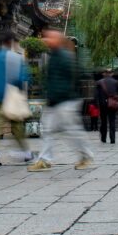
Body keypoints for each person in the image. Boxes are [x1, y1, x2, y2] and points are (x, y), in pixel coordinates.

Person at [29, 28, 93, 171]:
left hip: (66, 100)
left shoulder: (65, 57)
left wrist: (65, 94)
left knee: (72, 130)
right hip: (54, 101)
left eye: (49, 38)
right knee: (47, 129)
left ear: (57, 40)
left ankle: (86, 156)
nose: (46, 40)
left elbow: (76, 76)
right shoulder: (54, 56)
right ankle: (45, 160)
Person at [0, 33, 33, 167]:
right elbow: (24, 78)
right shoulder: (16, 59)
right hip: (11, 97)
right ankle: (27, 153)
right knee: (17, 126)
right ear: (11, 43)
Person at [95, 68, 118, 145]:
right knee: (112, 121)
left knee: (103, 122)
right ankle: (112, 139)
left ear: (105, 73)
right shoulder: (116, 82)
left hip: (103, 105)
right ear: (112, 73)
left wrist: (97, 104)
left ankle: (103, 139)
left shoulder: (99, 82)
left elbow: (96, 95)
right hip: (112, 104)